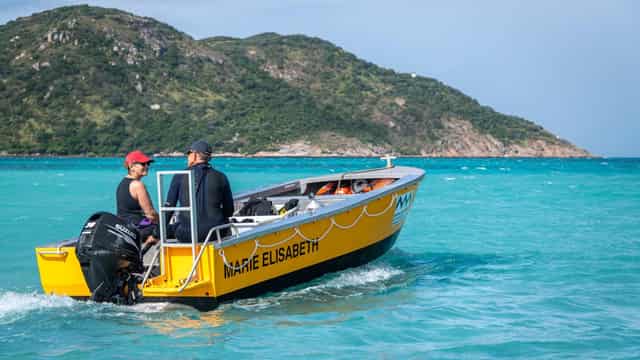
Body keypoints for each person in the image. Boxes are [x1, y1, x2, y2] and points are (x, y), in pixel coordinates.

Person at [168, 140, 234, 243]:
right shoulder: (221, 177)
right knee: (224, 222)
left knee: (176, 226)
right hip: (215, 233)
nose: (187, 157)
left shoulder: (179, 176)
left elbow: (168, 208)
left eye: (188, 154)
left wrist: (156, 233)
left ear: (194, 155)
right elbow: (229, 211)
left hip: (187, 234)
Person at [116, 150, 159, 247]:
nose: (147, 166)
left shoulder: (122, 183)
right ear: (131, 166)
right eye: (143, 164)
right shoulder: (137, 185)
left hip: (124, 227)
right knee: (167, 228)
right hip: (138, 227)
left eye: (148, 164)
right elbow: (150, 214)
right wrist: (162, 221)